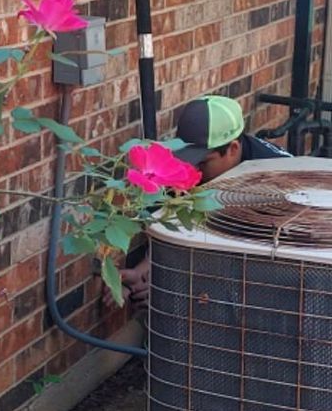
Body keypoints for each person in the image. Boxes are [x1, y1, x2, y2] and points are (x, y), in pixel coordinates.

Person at [119, 96, 288, 304]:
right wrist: (143, 272)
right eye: (188, 159)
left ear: (233, 149)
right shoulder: (196, 166)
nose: (194, 169)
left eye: (203, 162)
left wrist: (173, 282)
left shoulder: (277, 179)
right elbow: (172, 222)